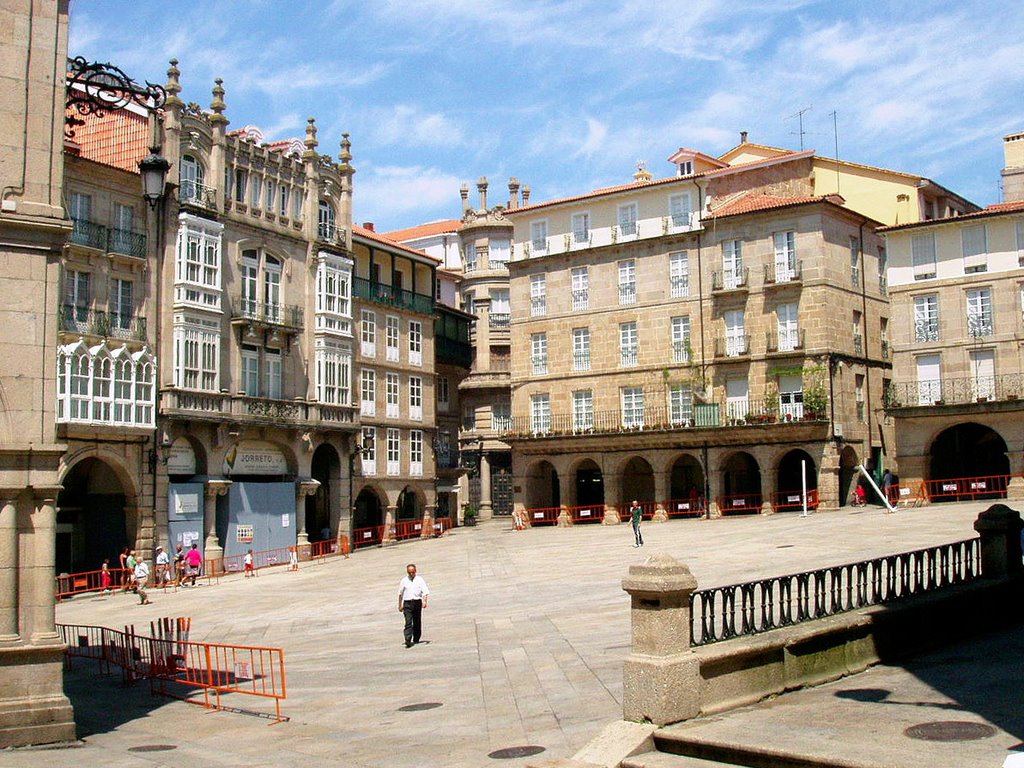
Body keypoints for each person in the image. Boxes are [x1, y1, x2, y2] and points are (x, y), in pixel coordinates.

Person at [398, 563, 430, 648]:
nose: (411, 574)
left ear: (415, 571)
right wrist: (400, 605)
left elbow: (425, 592)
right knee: (408, 622)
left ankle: (416, 638)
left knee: (417, 621)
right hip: (407, 603)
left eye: (413, 572)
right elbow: (400, 594)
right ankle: (408, 639)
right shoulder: (404, 581)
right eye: (409, 573)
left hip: (417, 602)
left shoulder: (420, 580)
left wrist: (424, 602)